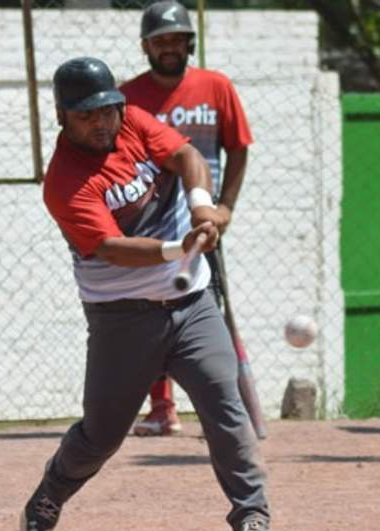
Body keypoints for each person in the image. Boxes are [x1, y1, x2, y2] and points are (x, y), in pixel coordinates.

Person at [18, 56, 272, 531]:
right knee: (101, 436)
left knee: (224, 407)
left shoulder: (132, 121)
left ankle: (252, 513)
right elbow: (112, 249)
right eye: (86, 115)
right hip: (122, 318)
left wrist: (201, 206)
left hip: (192, 303)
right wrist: (180, 248)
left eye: (107, 110)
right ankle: (51, 492)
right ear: (62, 117)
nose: (101, 122)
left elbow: (187, 156)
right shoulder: (64, 182)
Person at [121, 0, 253, 436]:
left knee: (206, 312)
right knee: (151, 310)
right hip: (151, 222)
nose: (170, 48)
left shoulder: (216, 86)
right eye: (160, 41)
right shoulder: (128, 97)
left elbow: (238, 148)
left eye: (177, 39)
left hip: (202, 222)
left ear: (190, 43)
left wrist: (225, 207)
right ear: (146, 46)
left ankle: (222, 411)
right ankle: (162, 407)